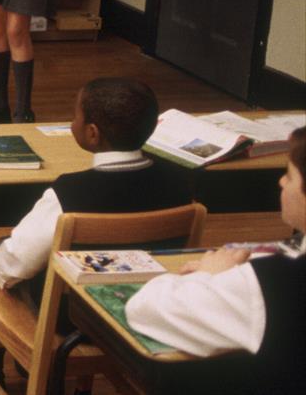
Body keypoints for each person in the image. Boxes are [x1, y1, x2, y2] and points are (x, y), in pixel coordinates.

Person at [0, 77, 192, 386]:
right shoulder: (180, 182)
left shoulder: (70, 192)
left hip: (75, 318)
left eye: (75, 117)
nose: (72, 123)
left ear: (92, 134)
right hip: (148, 306)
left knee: (1, 256)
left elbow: (18, 261)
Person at [124, 128, 305, 394]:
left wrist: (208, 275)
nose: (281, 182)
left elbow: (144, 309)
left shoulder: (268, 283)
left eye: (289, 176)